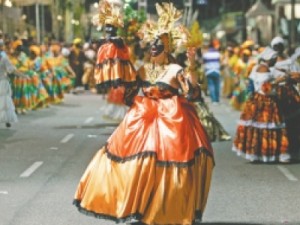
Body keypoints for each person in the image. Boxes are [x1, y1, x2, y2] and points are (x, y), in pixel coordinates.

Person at [73, 2, 214, 225]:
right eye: (151, 45)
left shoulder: (175, 70)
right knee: (136, 162)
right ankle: (135, 207)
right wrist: (114, 48)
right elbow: (127, 88)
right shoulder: (143, 69)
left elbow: (192, 92)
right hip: (143, 119)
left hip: (171, 120)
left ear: (167, 48)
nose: (153, 49)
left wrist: (192, 63)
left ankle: (166, 210)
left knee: (166, 164)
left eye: (158, 45)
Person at [232, 46, 290, 163]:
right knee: (269, 126)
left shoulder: (257, 67)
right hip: (266, 101)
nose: (275, 61)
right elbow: (265, 89)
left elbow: (253, 85)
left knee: (257, 127)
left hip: (256, 100)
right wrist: (279, 80)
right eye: (274, 59)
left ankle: (256, 154)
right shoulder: (265, 69)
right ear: (269, 59)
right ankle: (271, 154)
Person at [271, 36, 300, 160]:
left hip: (289, 93)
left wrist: (288, 78)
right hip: (275, 94)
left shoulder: (291, 62)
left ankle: (293, 147)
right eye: (276, 47)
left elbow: (297, 77)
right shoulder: (271, 63)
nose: (278, 49)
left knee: (292, 121)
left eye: (280, 46)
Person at [0, 39, 27, 128]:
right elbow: (12, 70)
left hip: (3, 81)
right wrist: (22, 75)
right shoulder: (4, 58)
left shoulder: (4, 58)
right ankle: (6, 119)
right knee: (5, 102)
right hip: (3, 82)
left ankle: (6, 119)